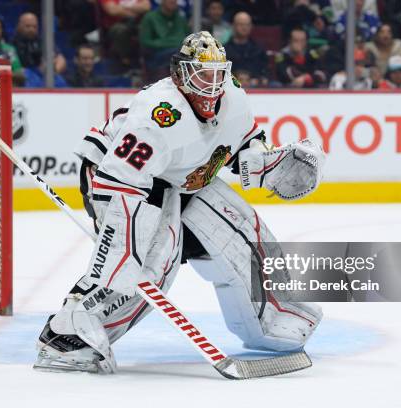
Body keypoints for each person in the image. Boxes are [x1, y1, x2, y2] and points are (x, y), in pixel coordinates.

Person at [33, 31, 324, 374]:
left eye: (217, 74)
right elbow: (120, 180)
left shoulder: (233, 95)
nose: (211, 84)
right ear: (180, 74)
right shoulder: (157, 115)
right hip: (119, 179)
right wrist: (124, 250)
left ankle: (273, 322)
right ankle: (69, 335)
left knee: (243, 231)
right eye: (202, 74)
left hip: (181, 178)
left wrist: (266, 162)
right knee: (148, 263)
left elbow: (240, 144)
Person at [139, 0, 190, 82]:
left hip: (179, 55)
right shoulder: (150, 18)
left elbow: (188, 39)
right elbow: (145, 42)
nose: (173, 1)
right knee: (178, 53)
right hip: (156, 57)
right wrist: (168, 43)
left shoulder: (181, 19)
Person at [99, 0, 151, 69]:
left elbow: (146, 6)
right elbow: (113, 10)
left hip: (138, 22)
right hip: (116, 24)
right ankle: (127, 63)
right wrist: (135, 11)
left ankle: (150, 61)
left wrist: (122, 7)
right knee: (120, 30)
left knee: (149, 24)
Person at [224, 11, 268, 87]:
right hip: (230, 88)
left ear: (251, 26)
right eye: (241, 24)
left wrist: (258, 79)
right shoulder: (224, 50)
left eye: (247, 25)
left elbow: (264, 72)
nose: (244, 27)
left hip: (255, 89)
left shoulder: (258, 50)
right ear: (233, 26)